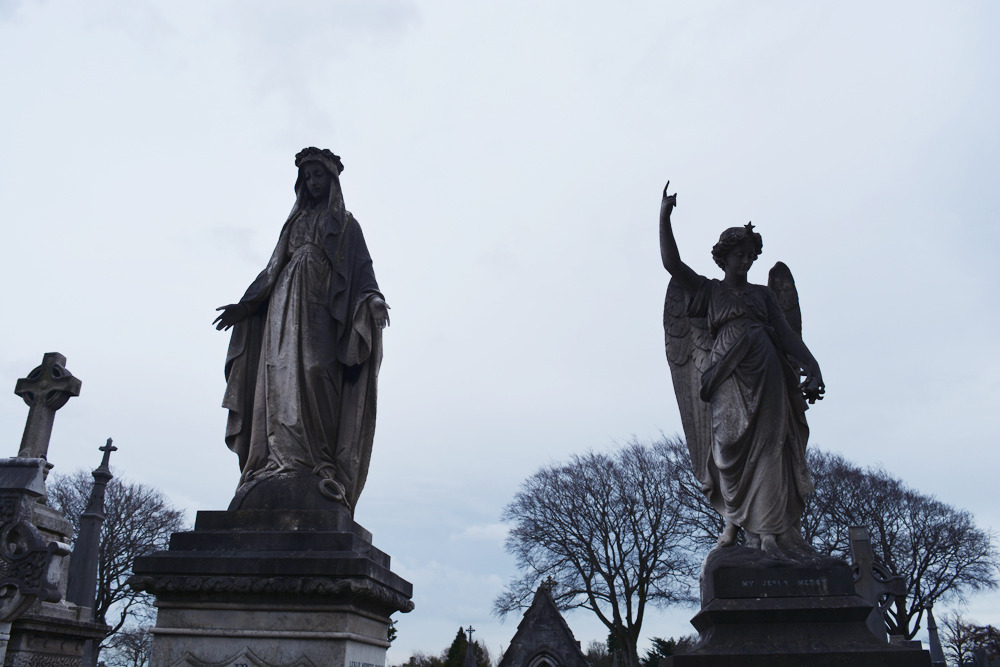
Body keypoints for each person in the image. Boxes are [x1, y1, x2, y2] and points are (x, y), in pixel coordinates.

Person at [214, 148, 389, 513]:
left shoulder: (346, 225)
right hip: (283, 305)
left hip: (321, 306)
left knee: (316, 371)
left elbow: (363, 269)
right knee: (281, 378)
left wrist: (373, 299)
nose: (312, 182)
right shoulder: (293, 224)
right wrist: (246, 306)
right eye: (307, 177)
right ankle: (276, 461)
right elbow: (273, 268)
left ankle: (317, 462)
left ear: (332, 180)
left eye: (318, 175)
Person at [659, 183, 824, 558]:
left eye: (750, 256)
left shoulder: (763, 295)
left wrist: (812, 365)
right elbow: (672, 265)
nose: (745, 261)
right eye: (739, 255)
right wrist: (664, 217)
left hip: (768, 370)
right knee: (728, 443)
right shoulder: (709, 291)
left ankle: (769, 531)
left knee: (770, 445)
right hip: (727, 374)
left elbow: (786, 335)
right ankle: (734, 520)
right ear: (724, 257)